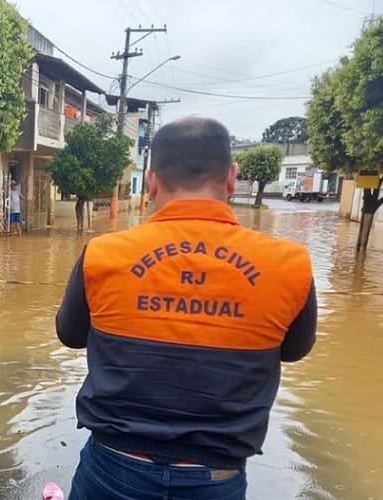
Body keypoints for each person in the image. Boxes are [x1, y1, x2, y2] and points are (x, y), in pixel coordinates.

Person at [56, 117, 316, 500]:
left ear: (151, 181)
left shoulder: (103, 255)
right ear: (232, 177)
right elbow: (294, 350)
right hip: (215, 478)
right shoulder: (288, 264)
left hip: (113, 470)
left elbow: (70, 334)